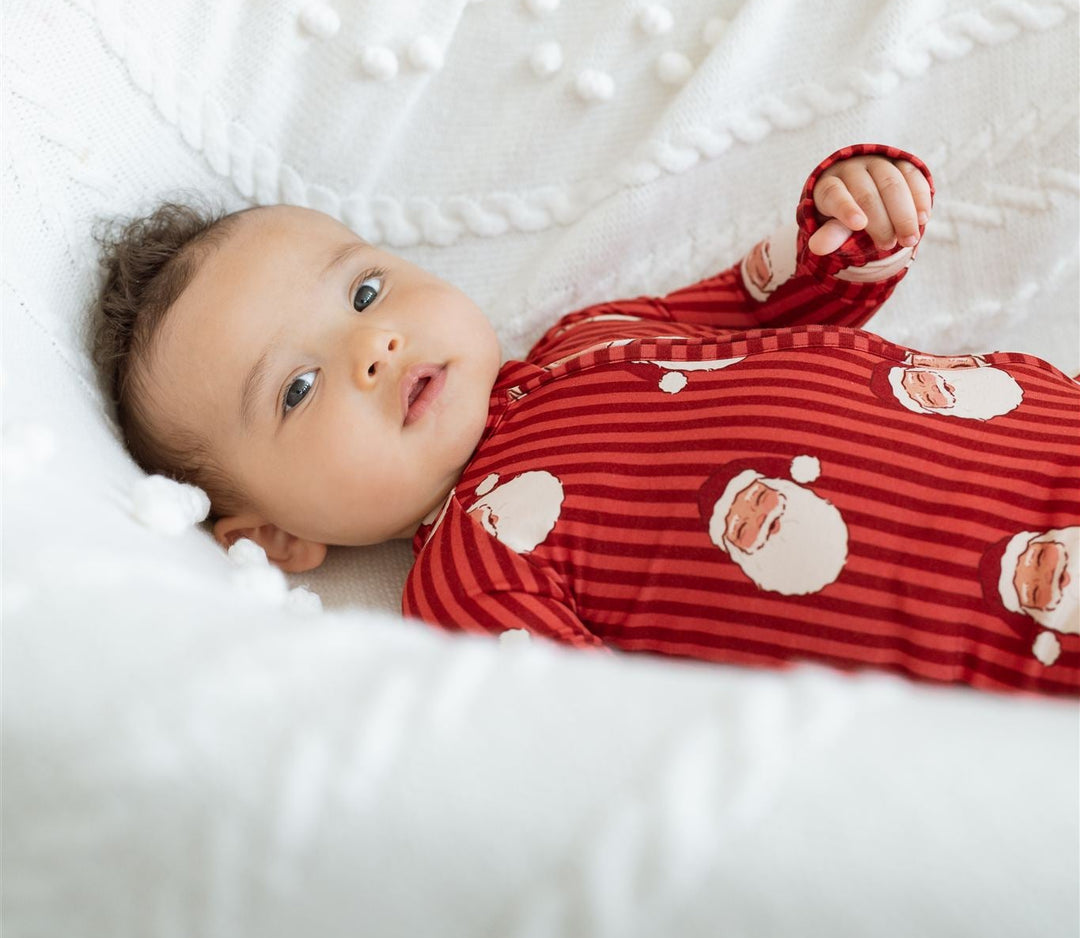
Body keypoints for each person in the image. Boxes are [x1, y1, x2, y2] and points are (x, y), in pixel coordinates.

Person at [88, 143, 1080, 695]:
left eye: (365, 292)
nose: (373, 346)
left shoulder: (591, 331)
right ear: (274, 538)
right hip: (1014, 623)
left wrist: (849, 220)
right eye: (297, 389)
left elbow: (772, 298)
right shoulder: (471, 581)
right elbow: (607, 741)